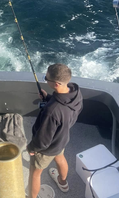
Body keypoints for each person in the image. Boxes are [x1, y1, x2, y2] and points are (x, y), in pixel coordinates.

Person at [26, 63, 83, 198]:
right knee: (60, 157)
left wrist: (32, 148)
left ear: (56, 84)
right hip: (61, 139)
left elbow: (43, 141)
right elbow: (63, 107)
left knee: (35, 173)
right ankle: (63, 182)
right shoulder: (75, 92)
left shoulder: (52, 111)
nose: (45, 79)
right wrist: (49, 98)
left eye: (46, 78)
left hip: (47, 148)